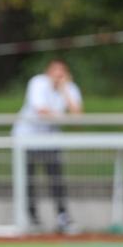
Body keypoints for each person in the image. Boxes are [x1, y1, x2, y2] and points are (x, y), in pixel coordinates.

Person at [12, 59, 83, 234]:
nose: (58, 75)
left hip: (50, 140)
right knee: (28, 179)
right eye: (55, 71)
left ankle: (62, 217)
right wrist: (62, 116)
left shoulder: (69, 87)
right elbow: (40, 111)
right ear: (48, 72)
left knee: (56, 179)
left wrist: (65, 89)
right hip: (27, 138)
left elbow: (77, 115)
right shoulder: (37, 83)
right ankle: (31, 218)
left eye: (62, 71)